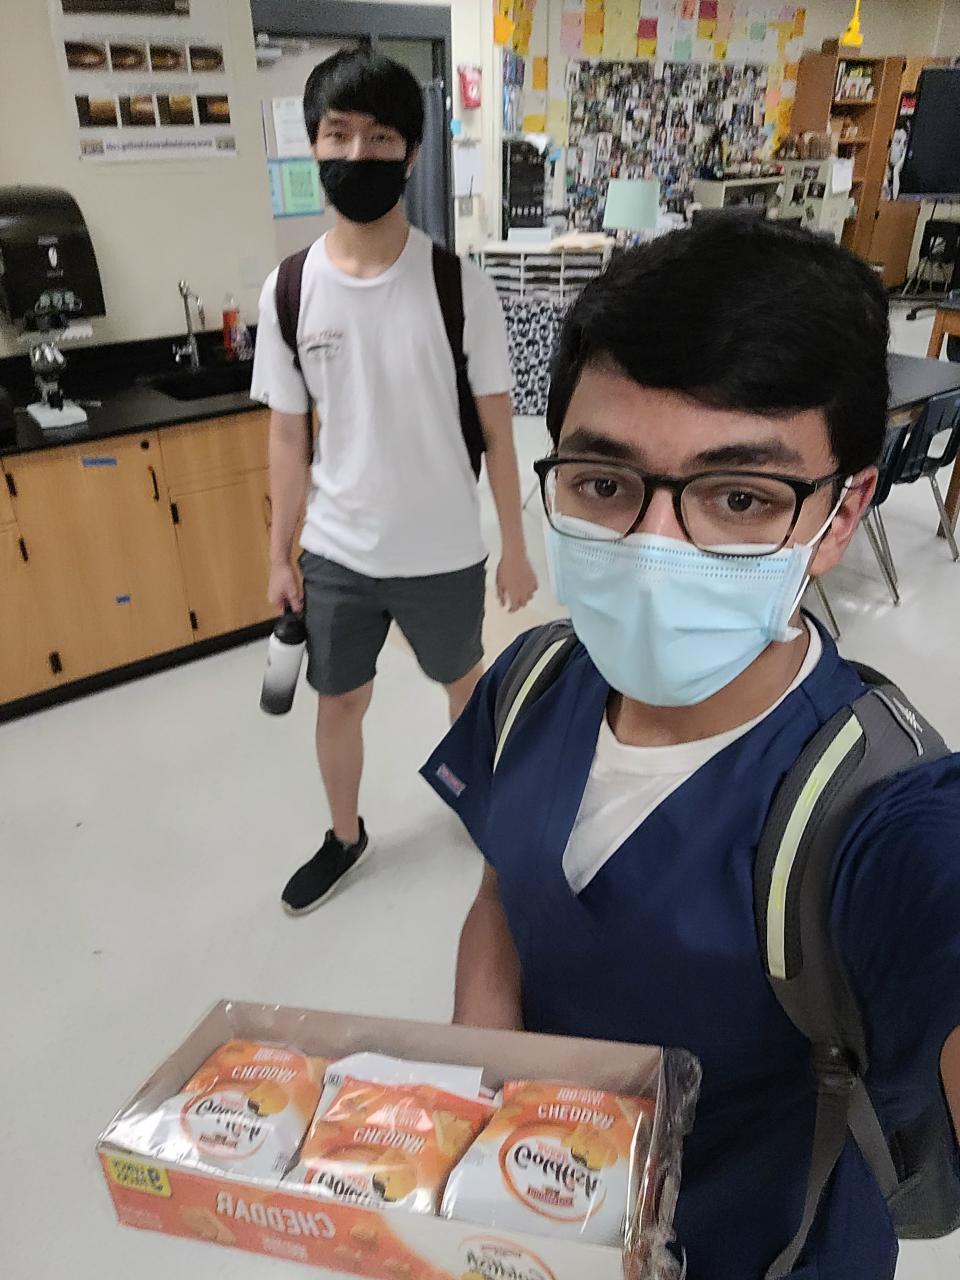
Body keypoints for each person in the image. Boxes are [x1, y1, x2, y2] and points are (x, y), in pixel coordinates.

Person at [421, 220, 960, 1280]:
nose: (654, 546)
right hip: (540, 1233)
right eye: (604, 482)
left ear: (842, 512)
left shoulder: (873, 807)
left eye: (741, 497)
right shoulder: (532, 683)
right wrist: (490, 1106)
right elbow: (503, 893)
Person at [252, 50, 537, 915]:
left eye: (381, 136)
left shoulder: (459, 285)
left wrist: (514, 547)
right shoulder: (290, 289)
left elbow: (498, 431)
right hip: (338, 548)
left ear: (412, 153)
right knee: (338, 701)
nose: (358, 152)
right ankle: (345, 837)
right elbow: (288, 435)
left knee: (465, 690)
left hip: (442, 548)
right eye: (338, 132)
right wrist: (280, 556)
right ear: (313, 144)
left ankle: (480, 808)